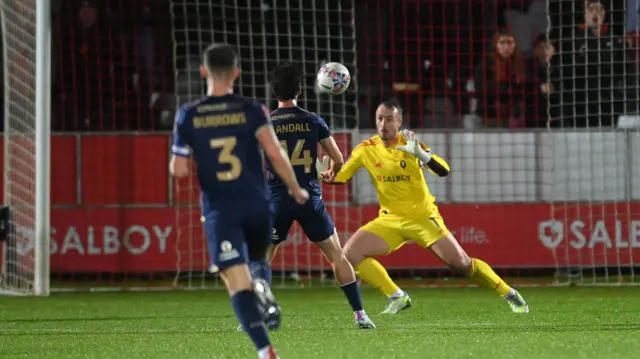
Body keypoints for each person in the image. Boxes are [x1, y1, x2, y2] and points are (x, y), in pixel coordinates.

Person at [322, 100, 529, 315]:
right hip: (390, 220)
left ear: (399, 122)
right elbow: (341, 177)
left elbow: (444, 170)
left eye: (389, 119)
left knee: (463, 264)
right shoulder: (365, 149)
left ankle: (509, 293)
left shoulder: (410, 144)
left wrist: (422, 155)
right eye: (379, 119)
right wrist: (328, 176)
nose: (383, 124)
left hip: (423, 218)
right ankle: (396, 296)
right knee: (350, 254)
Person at [170, 43, 309, 359]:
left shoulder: (188, 114)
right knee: (256, 260)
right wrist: (295, 189)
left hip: (222, 210)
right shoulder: (253, 109)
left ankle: (265, 350)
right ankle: (263, 285)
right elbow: (275, 154)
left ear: (203, 71)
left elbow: (178, 171)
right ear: (236, 72)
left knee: (235, 281)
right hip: (259, 206)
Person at [260, 63, 375, 329]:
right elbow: (338, 158)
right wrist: (327, 171)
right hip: (309, 199)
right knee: (336, 255)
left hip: (277, 200)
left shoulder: (266, 124)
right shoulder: (313, 120)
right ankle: (360, 315)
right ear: (300, 89)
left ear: (274, 91)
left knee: (263, 257)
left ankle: (255, 314)